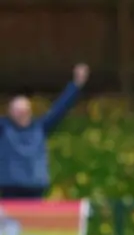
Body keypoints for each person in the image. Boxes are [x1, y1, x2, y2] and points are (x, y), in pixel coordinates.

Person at [0, 63, 90, 199]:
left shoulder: (40, 126)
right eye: (17, 112)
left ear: (30, 112)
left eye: (24, 111)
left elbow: (61, 108)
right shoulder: (4, 127)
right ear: (10, 113)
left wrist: (76, 84)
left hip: (35, 187)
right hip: (10, 188)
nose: (21, 115)